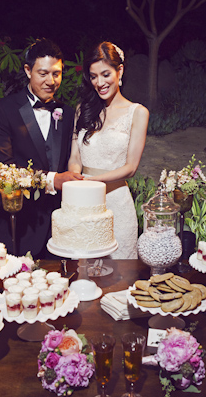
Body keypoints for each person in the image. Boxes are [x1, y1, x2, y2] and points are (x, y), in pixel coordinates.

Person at [0, 38, 83, 258]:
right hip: (19, 226)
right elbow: (4, 169)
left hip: (60, 230)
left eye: (56, 73)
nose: (51, 81)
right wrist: (52, 180)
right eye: (43, 73)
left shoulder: (66, 113)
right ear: (28, 70)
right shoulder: (2, 110)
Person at [68, 42, 149, 259]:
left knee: (119, 276)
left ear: (119, 70)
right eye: (93, 76)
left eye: (105, 74)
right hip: (84, 200)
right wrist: (77, 180)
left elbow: (131, 167)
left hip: (116, 204)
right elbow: (75, 156)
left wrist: (93, 182)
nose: (99, 83)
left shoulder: (137, 112)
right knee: (85, 273)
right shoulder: (83, 110)